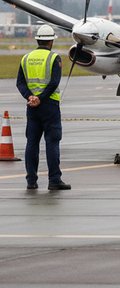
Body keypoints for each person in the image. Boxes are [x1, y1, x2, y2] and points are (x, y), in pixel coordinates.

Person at [16, 25, 70, 191]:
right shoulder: (54, 58)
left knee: (32, 143)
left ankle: (31, 180)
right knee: (52, 142)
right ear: (51, 41)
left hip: (32, 106)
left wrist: (30, 97)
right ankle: (54, 179)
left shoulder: (25, 58)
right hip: (49, 105)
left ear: (38, 40)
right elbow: (54, 83)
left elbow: (20, 82)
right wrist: (41, 98)